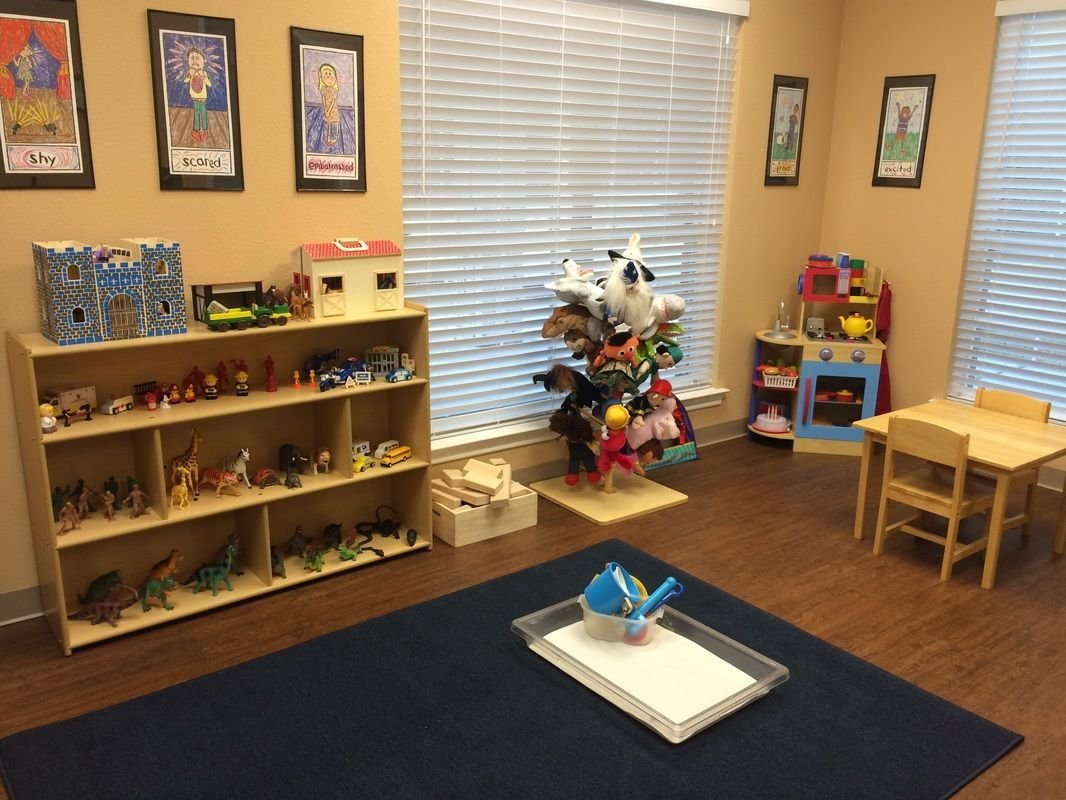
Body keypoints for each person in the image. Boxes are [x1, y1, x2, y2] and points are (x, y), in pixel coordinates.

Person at [184, 47, 212, 144]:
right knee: (196, 115)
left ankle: (204, 130)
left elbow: (209, 84)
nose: (195, 61)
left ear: (203, 61)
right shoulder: (190, 72)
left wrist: (203, 76)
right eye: (192, 58)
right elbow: (185, 81)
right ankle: (196, 131)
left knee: (203, 115)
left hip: (203, 99)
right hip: (195, 99)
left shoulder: (204, 73)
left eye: (197, 58)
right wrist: (189, 75)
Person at [318, 63, 341, 147]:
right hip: (327, 110)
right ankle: (328, 139)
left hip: (333, 111)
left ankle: (333, 139)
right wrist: (325, 110)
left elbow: (333, 102)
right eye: (325, 74)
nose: (328, 77)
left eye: (330, 74)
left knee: (334, 124)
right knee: (328, 124)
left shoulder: (334, 91)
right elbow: (323, 100)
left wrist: (329, 111)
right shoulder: (324, 89)